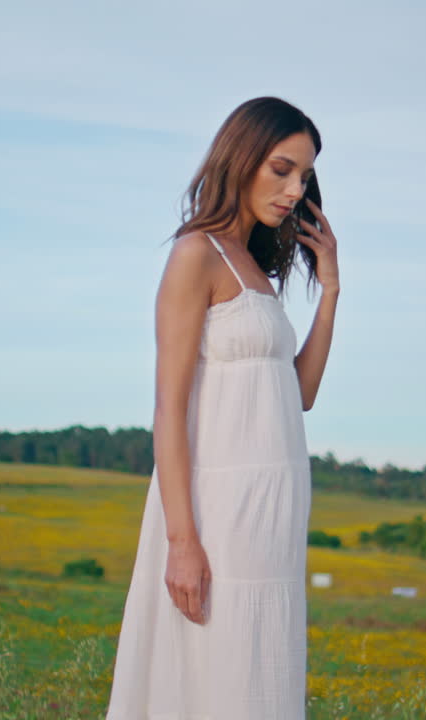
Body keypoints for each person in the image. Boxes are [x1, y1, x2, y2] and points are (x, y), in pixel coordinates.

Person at [104, 96, 340, 719]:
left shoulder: (257, 270)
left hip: (273, 516)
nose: (295, 189)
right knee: (215, 669)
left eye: (305, 177)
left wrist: (331, 289)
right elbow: (169, 408)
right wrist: (183, 541)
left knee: (258, 671)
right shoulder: (196, 254)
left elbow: (301, 393)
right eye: (282, 168)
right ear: (241, 159)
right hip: (218, 513)